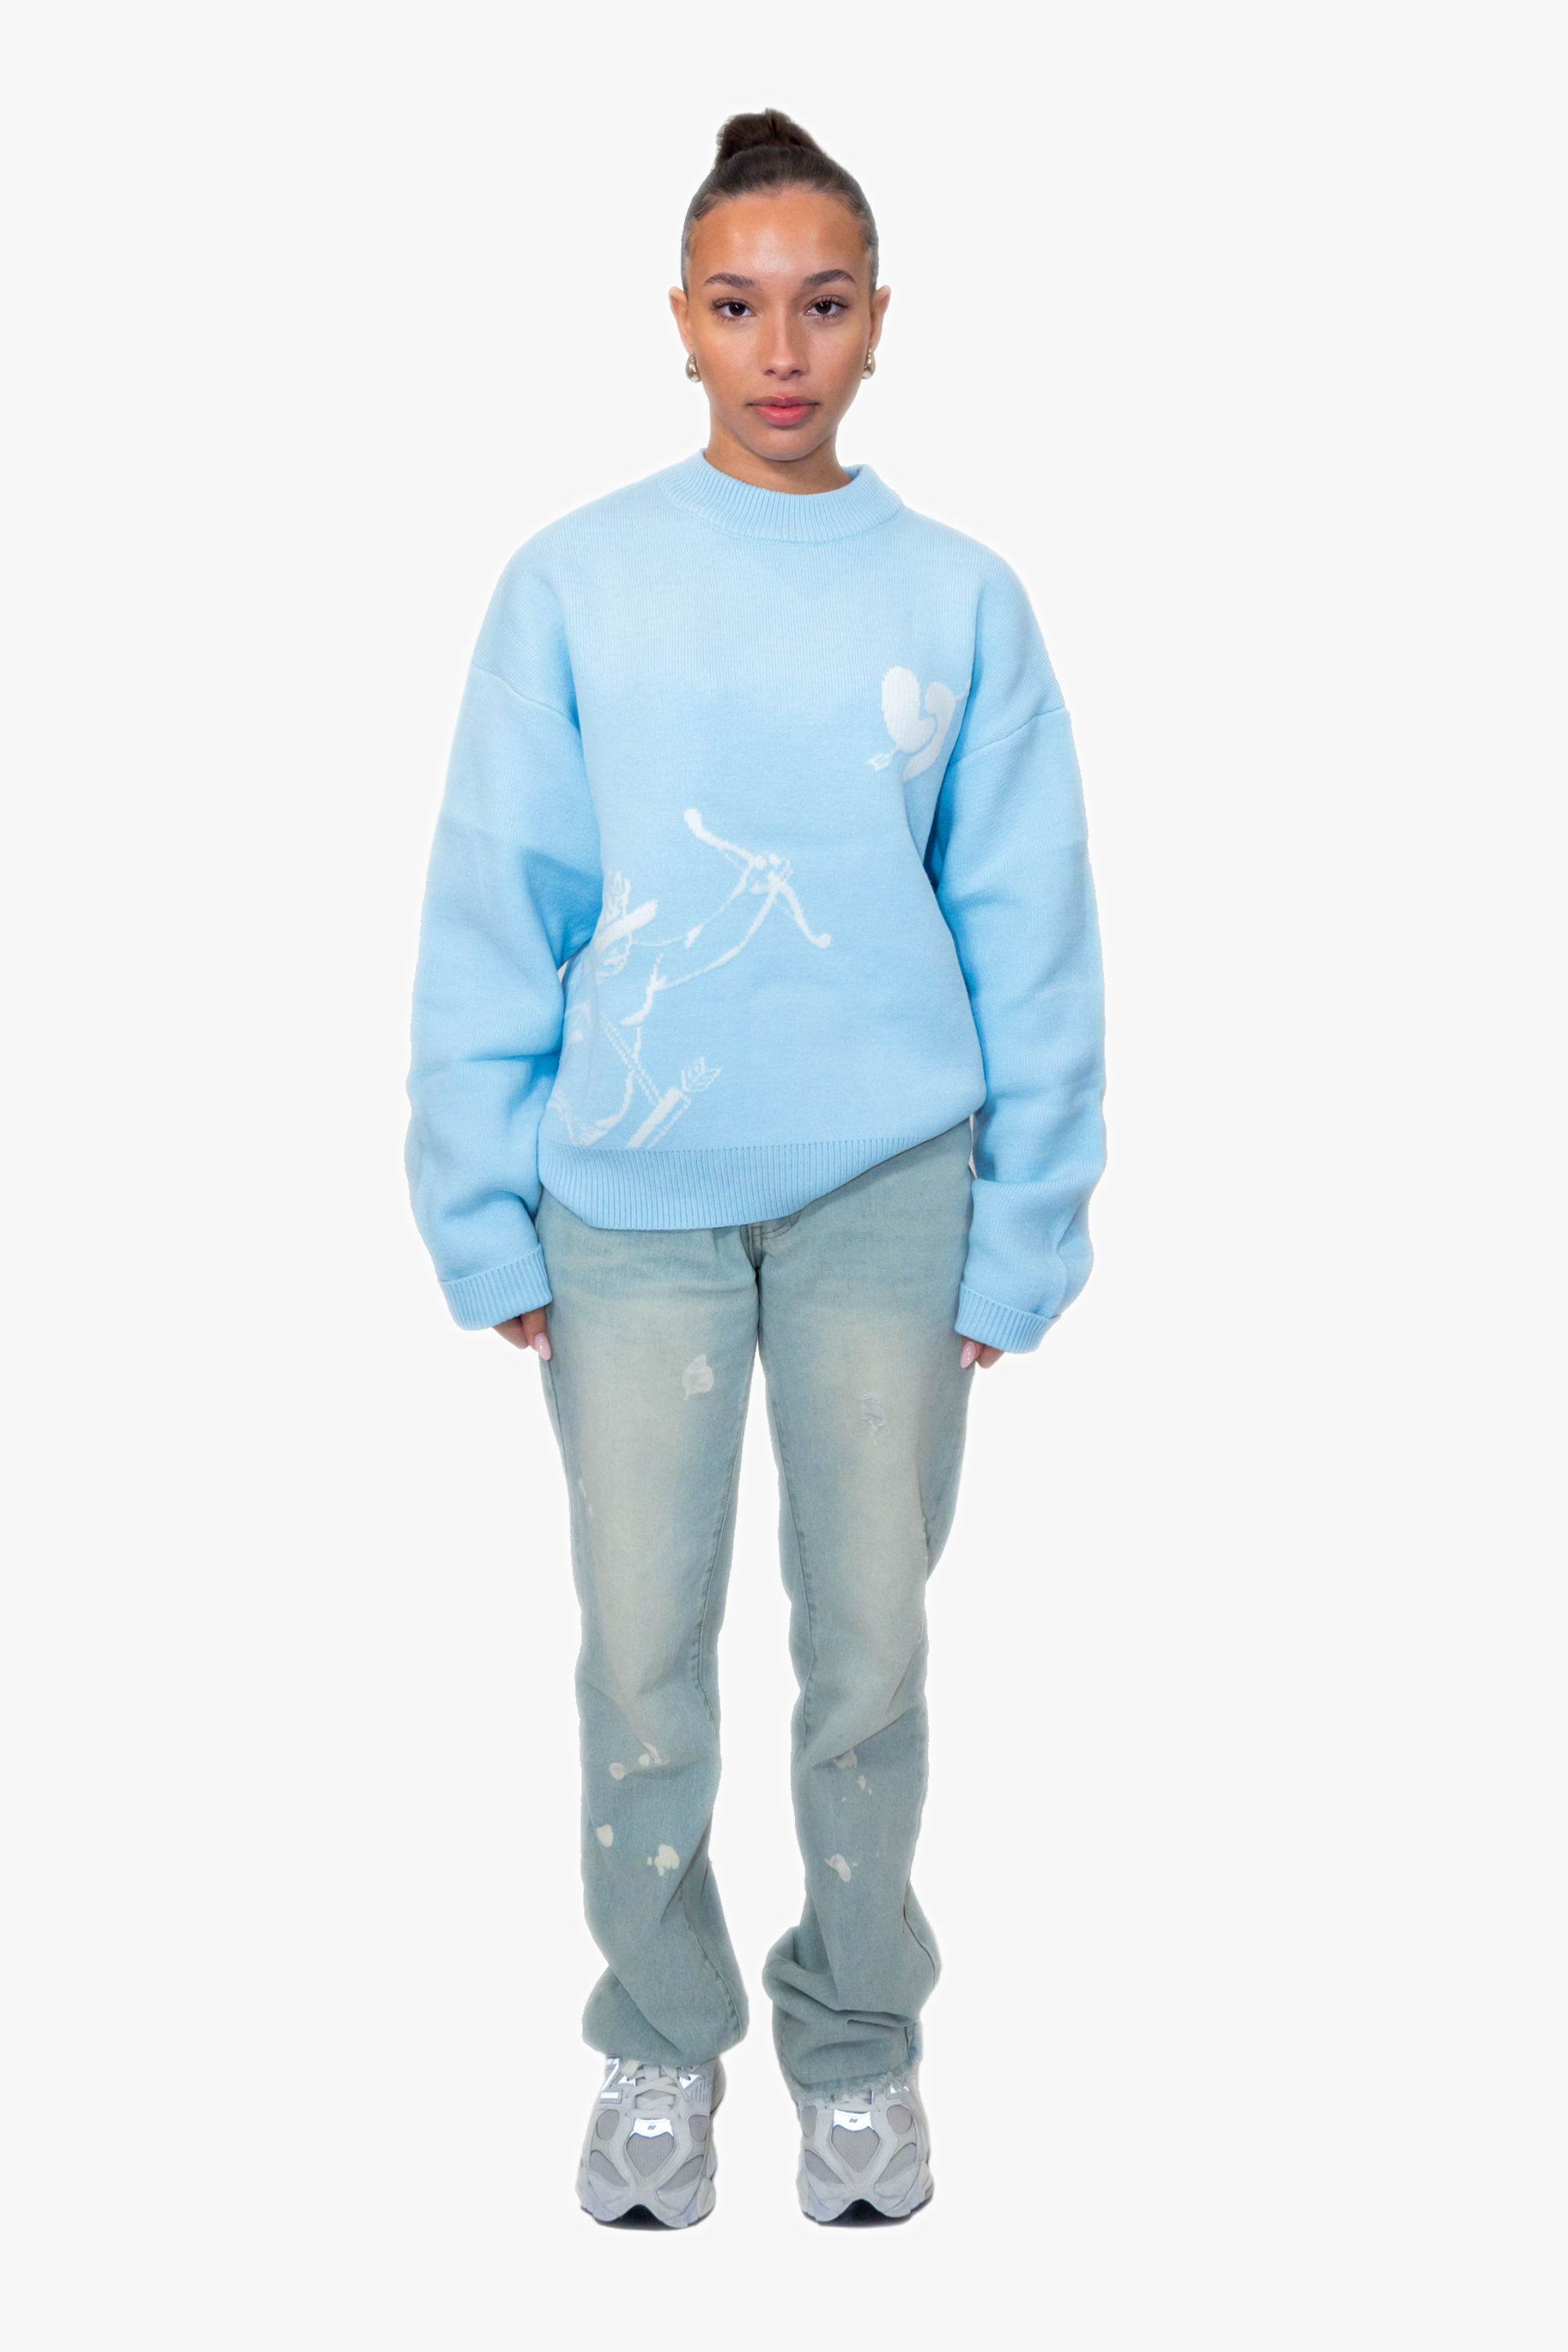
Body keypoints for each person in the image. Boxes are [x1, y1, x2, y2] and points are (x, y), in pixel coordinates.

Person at [406, 108, 1105, 2228]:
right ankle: (658, 2036)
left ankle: (859, 2043)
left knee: (869, 1654)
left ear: (880, 322)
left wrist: (1024, 1227)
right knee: (641, 1655)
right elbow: (501, 890)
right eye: (738, 305)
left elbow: (1025, 916)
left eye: (821, 305)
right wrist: (481, 1201)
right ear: (681, 321)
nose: (780, 350)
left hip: (894, 1183)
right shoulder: (575, 583)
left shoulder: (956, 596)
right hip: (627, 1201)